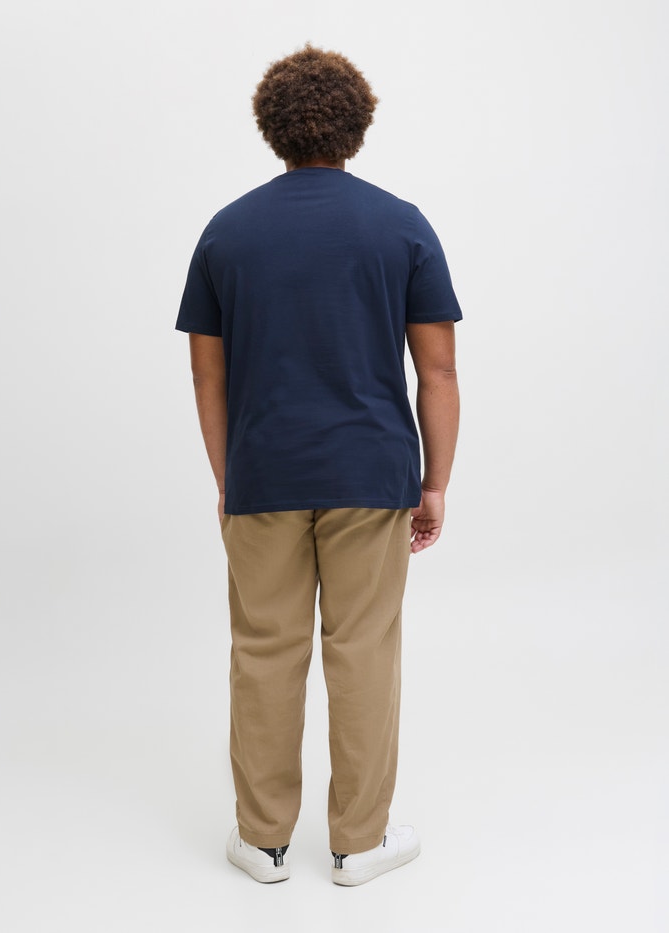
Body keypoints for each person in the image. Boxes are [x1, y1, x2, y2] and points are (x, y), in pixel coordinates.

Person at [176, 43, 462, 886]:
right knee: (363, 649)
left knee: (264, 649)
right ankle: (359, 843)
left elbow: (206, 374)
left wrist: (229, 478)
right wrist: (435, 482)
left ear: (272, 127)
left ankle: (263, 841)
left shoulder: (227, 230)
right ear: (357, 125)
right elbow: (438, 371)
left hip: (262, 473)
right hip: (372, 474)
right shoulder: (402, 224)